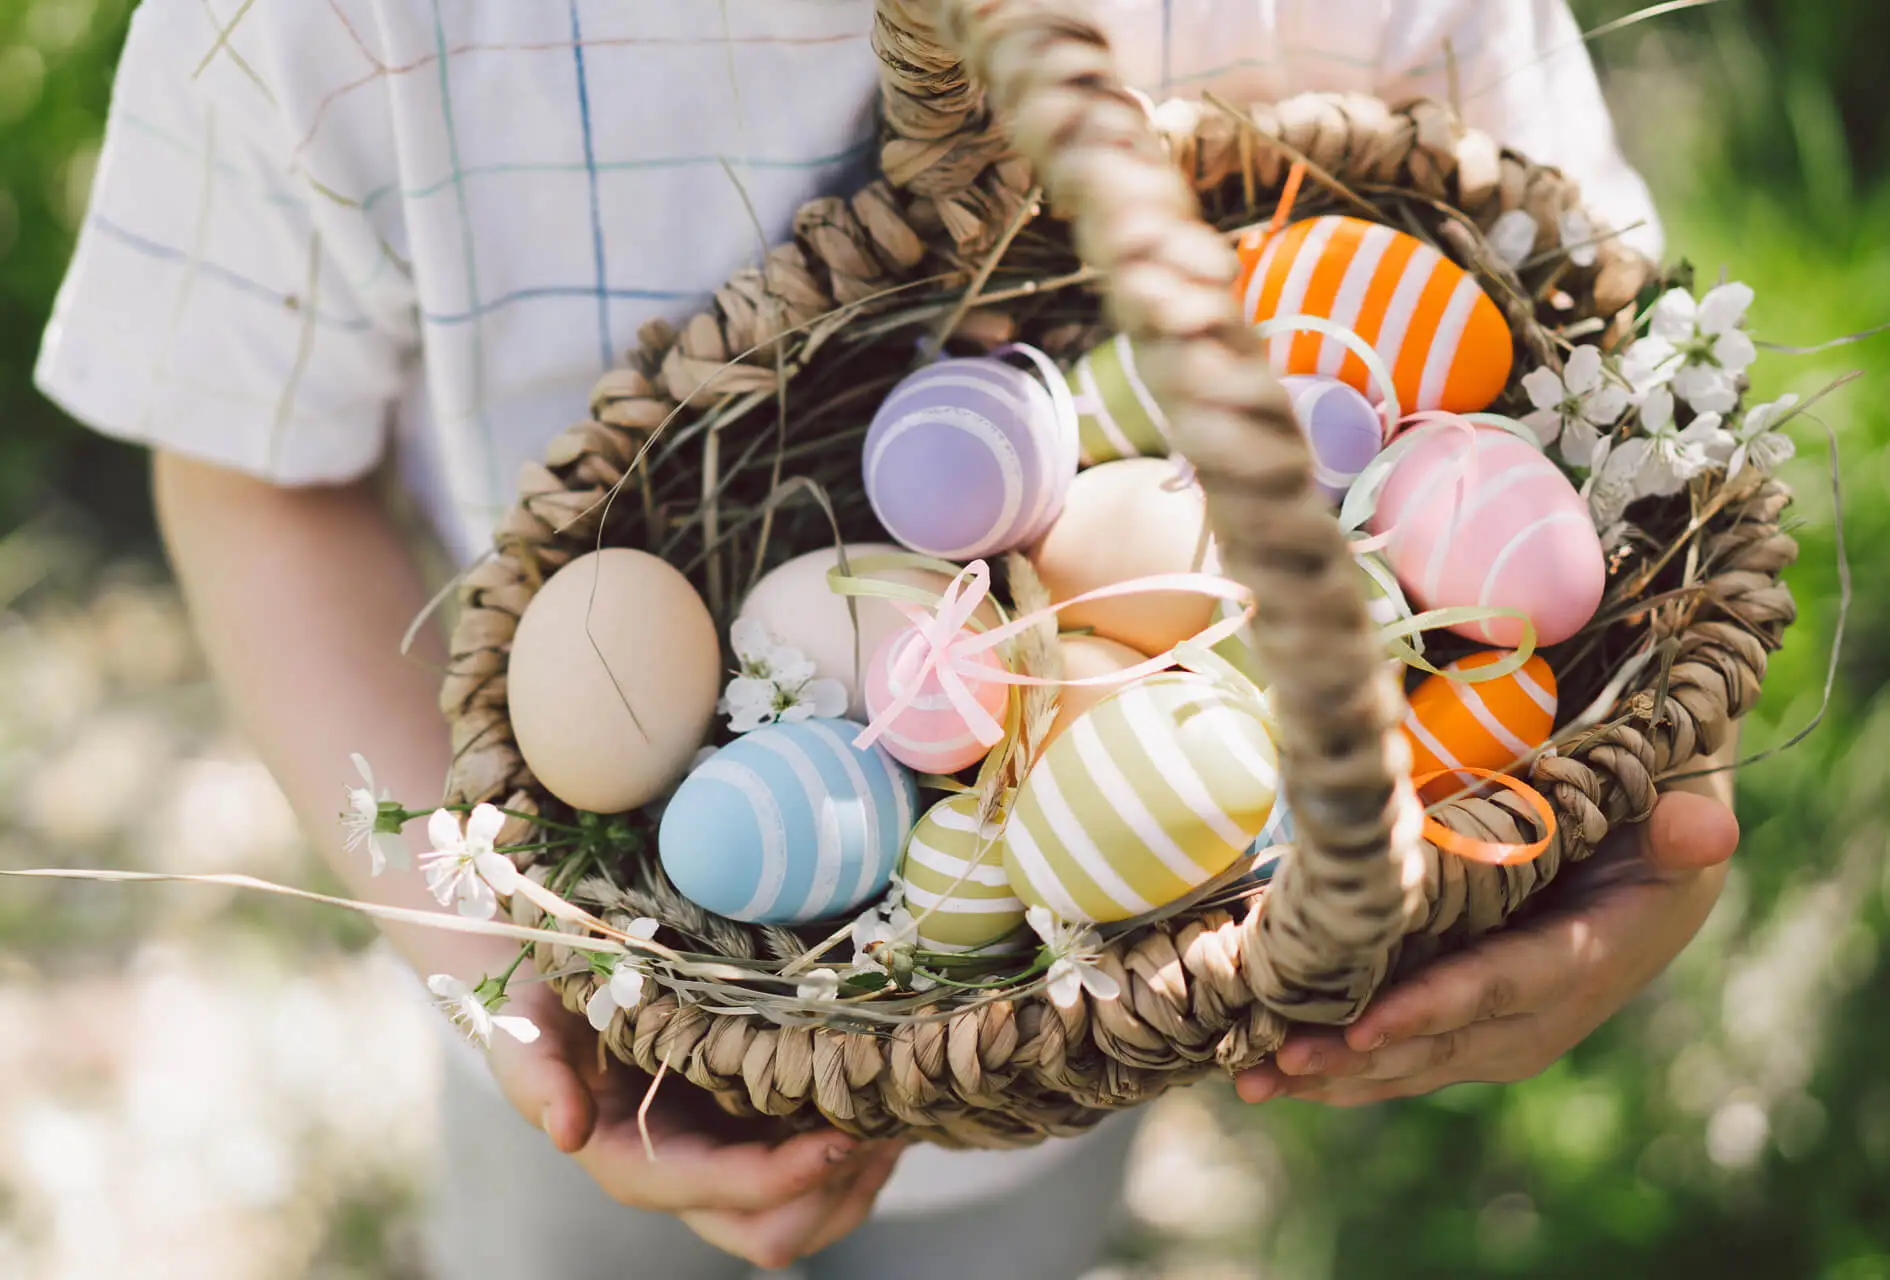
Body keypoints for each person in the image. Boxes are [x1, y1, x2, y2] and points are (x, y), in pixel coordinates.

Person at [35, 1, 1740, 1275]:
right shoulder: (335, 27)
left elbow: (1581, 340)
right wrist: (511, 983)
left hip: (1080, 1064)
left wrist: (1633, 870)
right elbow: (258, 480)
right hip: (604, 1018)